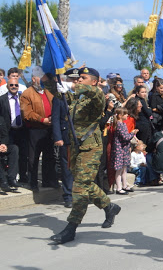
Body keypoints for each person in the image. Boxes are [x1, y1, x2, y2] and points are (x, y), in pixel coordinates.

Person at [50, 67, 121, 245]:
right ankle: (109, 206)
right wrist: (53, 83)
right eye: (78, 78)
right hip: (77, 146)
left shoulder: (97, 96)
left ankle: (71, 228)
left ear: (94, 81)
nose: (79, 80)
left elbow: (92, 94)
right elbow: (63, 97)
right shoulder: (79, 99)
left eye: (83, 78)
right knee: (85, 183)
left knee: (80, 187)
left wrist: (71, 86)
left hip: (90, 147)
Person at [20, 66, 57, 190]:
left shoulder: (48, 92)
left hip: (49, 129)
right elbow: (27, 113)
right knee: (33, 158)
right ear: (33, 79)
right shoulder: (27, 94)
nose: (41, 80)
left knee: (49, 156)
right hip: (35, 129)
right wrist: (42, 119)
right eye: (38, 78)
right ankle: (33, 182)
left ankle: (48, 180)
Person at [0, 73, 29, 183]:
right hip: (8, 132)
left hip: (22, 130)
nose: (14, 87)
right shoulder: (0, 100)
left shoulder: (23, 99)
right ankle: (10, 177)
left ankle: (23, 176)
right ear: (7, 87)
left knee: (24, 154)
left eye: (16, 85)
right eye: (11, 85)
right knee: (11, 154)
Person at [51, 69, 78, 207]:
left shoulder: (82, 96)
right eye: (72, 80)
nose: (75, 82)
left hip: (80, 137)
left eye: (77, 80)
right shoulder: (60, 97)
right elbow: (55, 119)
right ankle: (68, 196)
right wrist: (58, 137)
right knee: (67, 168)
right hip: (66, 136)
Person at [111, 108, 138, 194]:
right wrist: (133, 133)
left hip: (124, 148)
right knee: (119, 169)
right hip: (119, 149)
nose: (127, 116)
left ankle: (124, 185)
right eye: (125, 114)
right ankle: (119, 188)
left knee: (124, 168)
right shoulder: (119, 125)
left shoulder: (123, 124)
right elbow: (125, 137)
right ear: (120, 116)